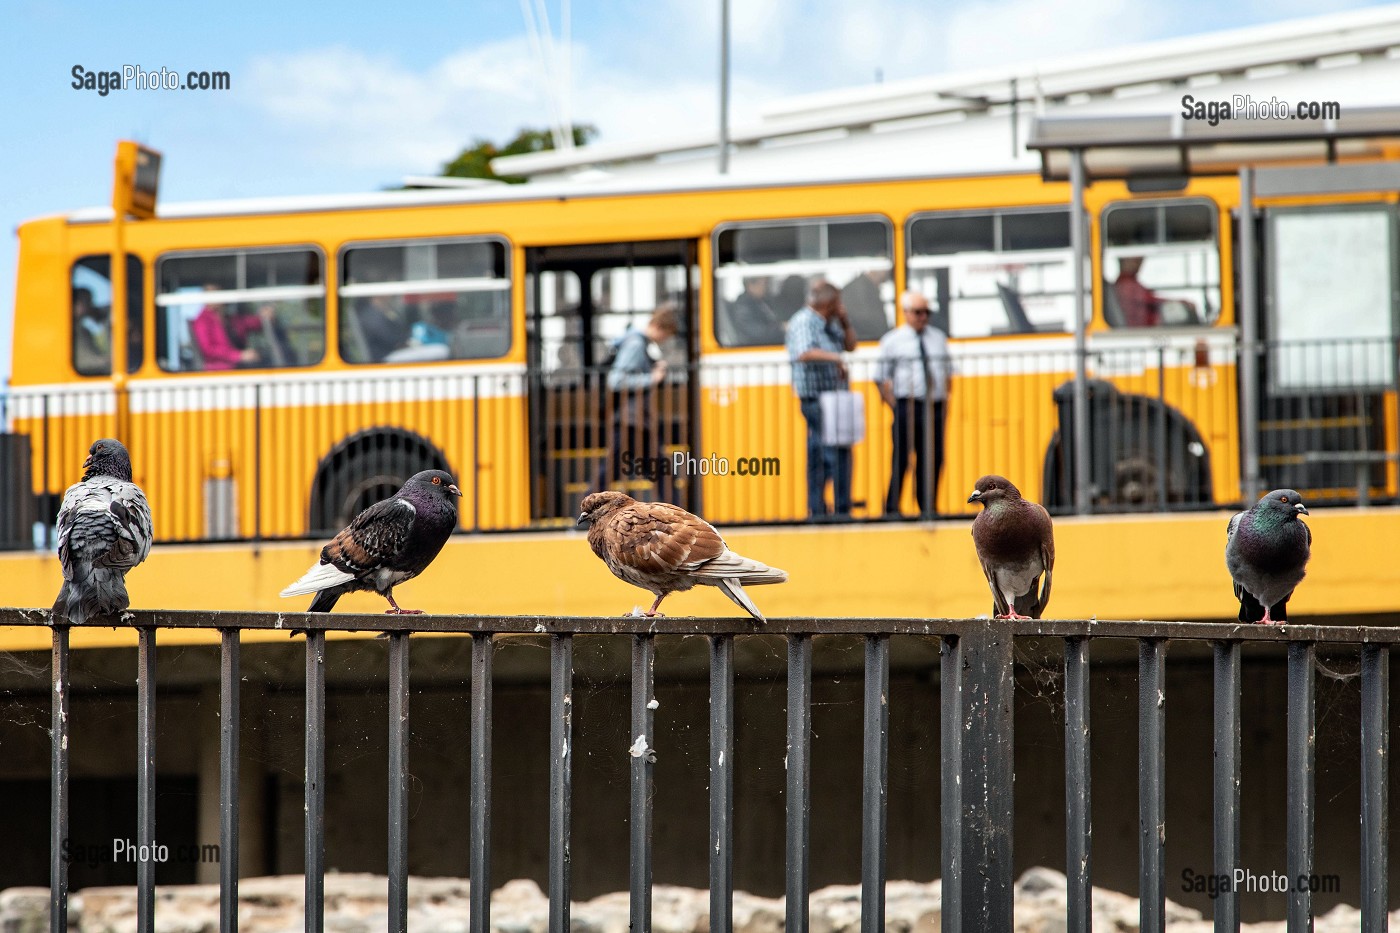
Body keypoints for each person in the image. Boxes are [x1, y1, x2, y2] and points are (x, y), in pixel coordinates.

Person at [786, 279, 857, 518]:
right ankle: (827, 508)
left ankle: (837, 505)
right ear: (830, 302)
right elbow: (804, 352)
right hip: (816, 398)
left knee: (834, 452)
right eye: (838, 302)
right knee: (828, 453)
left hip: (834, 398)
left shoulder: (831, 324)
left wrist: (845, 322)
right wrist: (836, 359)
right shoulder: (804, 321)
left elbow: (851, 345)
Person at [878, 291, 952, 517]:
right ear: (906, 313)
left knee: (933, 457)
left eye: (927, 312)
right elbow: (881, 378)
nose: (923, 317)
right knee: (901, 457)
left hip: (934, 406)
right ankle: (892, 508)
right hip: (907, 405)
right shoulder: (892, 341)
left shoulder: (938, 338)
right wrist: (894, 405)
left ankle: (928, 506)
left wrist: (945, 402)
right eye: (919, 312)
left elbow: (947, 375)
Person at [598, 305, 680, 494]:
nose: (665, 341)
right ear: (661, 328)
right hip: (631, 420)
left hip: (635, 420)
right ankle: (584, 515)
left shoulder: (638, 343)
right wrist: (652, 378)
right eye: (666, 336)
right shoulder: (636, 344)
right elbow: (616, 381)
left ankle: (675, 516)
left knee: (660, 471)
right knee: (611, 471)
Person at [190, 286, 262, 370]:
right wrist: (239, 356)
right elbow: (208, 350)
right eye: (213, 295)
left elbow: (247, 323)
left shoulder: (228, 318)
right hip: (222, 370)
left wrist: (262, 316)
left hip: (240, 364)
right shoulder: (202, 321)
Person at [720, 277, 784, 346]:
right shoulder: (743, 306)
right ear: (751, 286)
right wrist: (780, 329)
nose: (766, 287)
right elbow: (757, 333)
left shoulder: (761, 301)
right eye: (763, 284)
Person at [1113, 256, 1163, 328]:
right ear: (1124, 260)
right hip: (1137, 331)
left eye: (1140, 259)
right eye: (1134, 259)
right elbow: (1152, 301)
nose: (1138, 261)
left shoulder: (1128, 282)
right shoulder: (1126, 284)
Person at [841, 269, 890, 339]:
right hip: (866, 339)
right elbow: (867, 320)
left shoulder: (869, 287)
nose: (888, 273)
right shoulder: (859, 290)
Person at [72, 287, 110, 375]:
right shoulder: (76, 331)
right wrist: (107, 361)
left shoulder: (81, 328)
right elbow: (87, 362)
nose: (90, 306)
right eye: (86, 302)